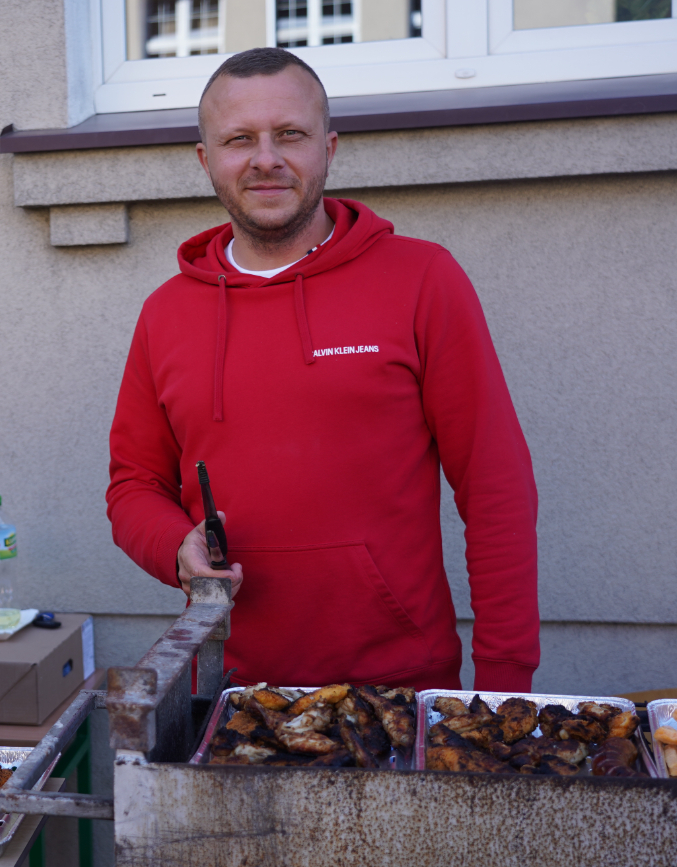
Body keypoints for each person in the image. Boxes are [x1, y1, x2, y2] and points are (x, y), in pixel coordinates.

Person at [106, 49, 539, 692]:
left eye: (290, 135)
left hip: (399, 684)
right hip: (231, 690)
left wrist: (504, 683)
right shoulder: (166, 313)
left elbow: (495, 485)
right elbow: (133, 486)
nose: (266, 159)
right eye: (238, 139)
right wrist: (176, 547)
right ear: (206, 159)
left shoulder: (421, 279)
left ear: (328, 146)